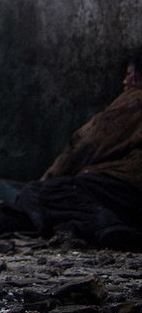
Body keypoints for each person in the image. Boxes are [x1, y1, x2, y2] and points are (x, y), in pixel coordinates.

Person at [16, 55, 142, 250]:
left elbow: (88, 143)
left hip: (131, 187)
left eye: (127, 75)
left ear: (136, 78)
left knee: (43, 192)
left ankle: (107, 227)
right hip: (129, 194)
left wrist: (48, 180)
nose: (124, 82)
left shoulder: (135, 99)